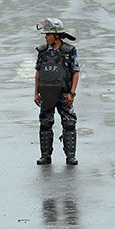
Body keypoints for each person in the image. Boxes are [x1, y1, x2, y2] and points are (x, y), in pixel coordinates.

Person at [34, 18, 80, 166]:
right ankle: (45, 156)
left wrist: (72, 93)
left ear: (57, 36)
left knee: (69, 124)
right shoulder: (42, 51)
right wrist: (36, 93)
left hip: (64, 94)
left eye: (48, 34)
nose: (45, 37)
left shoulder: (69, 51)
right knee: (45, 124)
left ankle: (70, 156)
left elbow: (75, 72)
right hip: (47, 93)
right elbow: (38, 72)